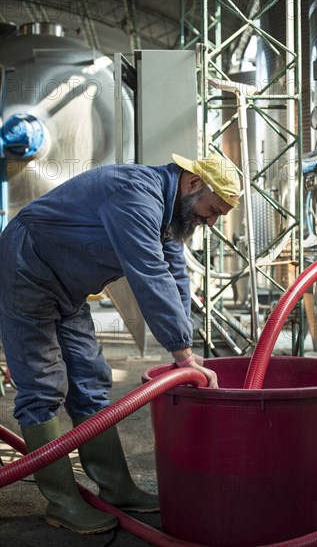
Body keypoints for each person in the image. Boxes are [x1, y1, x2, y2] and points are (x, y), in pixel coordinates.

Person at [0, 152, 240, 534]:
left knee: (91, 379)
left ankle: (117, 488)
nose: (210, 222)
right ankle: (61, 501)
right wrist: (182, 356)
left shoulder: (167, 213)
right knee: (43, 385)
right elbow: (149, 273)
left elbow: (175, 275)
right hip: (26, 270)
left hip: (68, 286)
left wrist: (187, 351)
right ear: (194, 183)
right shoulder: (134, 195)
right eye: (212, 210)